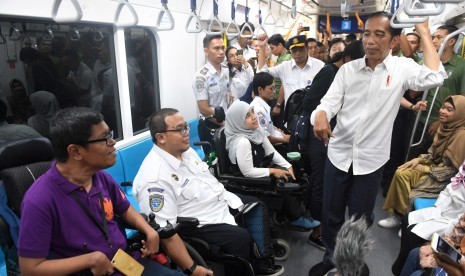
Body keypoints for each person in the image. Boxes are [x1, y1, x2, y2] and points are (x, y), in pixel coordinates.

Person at [309, 12, 446, 276]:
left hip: (371, 160)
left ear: (394, 40)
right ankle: (331, 259)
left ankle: (351, 266)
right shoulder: (348, 71)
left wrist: (424, 33)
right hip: (339, 154)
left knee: (360, 219)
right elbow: (326, 105)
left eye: (379, 35)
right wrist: (322, 115)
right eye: (367, 34)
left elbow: (435, 77)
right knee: (331, 214)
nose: (370, 41)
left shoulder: (401, 69)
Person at [18, 107, 181, 275]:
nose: (113, 142)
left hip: (125, 263)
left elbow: (124, 208)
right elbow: (30, 269)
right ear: (75, 151)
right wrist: (90, 259)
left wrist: (148, 230)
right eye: (105, 138)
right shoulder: (39, 200)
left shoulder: (100, 178)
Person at [133, 108, 283, 276]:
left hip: (218, 202)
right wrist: (191, 268)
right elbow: (165, 232)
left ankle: (261, 262)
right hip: (198, 222)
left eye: (186, 127)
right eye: (179, 129)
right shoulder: (155, 178)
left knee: (258, 206)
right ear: (161, 138)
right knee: (240, 238)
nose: (186, 133)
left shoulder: (185, 151)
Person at [300, 41, 365, 250]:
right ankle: (317, 232)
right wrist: (325, 112)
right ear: (347, 60)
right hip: (318, 134)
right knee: (320, 183)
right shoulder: (330, 73)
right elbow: (309, 103)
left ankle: (317, 223)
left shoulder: (344, 74)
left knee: (319, 181)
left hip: (331, 135)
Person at [225, 100, 320, 230]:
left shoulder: (256, 130)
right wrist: (272, 171)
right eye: (247, 116)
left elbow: (271, 151)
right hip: (245, 182)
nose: (253, 117)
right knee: (279, 184)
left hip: (257, 172)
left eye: (252, 111)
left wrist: (287, 166)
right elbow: (247, 172)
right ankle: (296, 218)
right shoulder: (242, 142)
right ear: (238, 122)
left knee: (290, 173)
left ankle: (295, 214)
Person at [379, 95, 465, 229]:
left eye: (449, 110)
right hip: (434, 170)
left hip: (445, 181)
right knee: (402, 172)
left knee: (413, 190)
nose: (443, 111)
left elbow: (453, 173)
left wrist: (424, 169)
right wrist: (418, 159)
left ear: (460, 113)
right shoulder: (444, 127)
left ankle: (409, 223)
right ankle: (398, 216)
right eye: (443, 107)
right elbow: (432, 153)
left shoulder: (461, 136)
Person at [391, 159, 465, 275]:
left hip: (455, 216)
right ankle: (399, 269)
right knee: (407, 219)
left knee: (412, 234)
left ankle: (400, 270)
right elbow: (453, 186)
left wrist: (437, 253)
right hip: (447, 208)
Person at [257, 35, 325, 117]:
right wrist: (261, 47)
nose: (298, 53)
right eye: (294, 51)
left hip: (314, 115)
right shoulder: (284, 67)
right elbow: (262, 73)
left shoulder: (320, 66)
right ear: (290, 51)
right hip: (292, 116)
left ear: (307, 49)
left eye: (301, 50)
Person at [193, 34, 230, 153]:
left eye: (223, 48)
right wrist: (226, 125)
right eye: (216, 48)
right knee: (215, 163)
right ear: (206, 51)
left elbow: (226, 97)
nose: (221, 52)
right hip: (210, 125)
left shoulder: (225, 70)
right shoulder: (201, 76)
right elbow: (204, 109)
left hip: (225, 122)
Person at [250, 72, 289, 145]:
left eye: (274, 88)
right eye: (271, 89)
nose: (274, 92)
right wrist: (286, 140)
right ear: (260, 90)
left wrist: (282, 134)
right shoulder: (258, 109)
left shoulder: (263, 106)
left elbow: (269, 126)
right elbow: (265, 137)